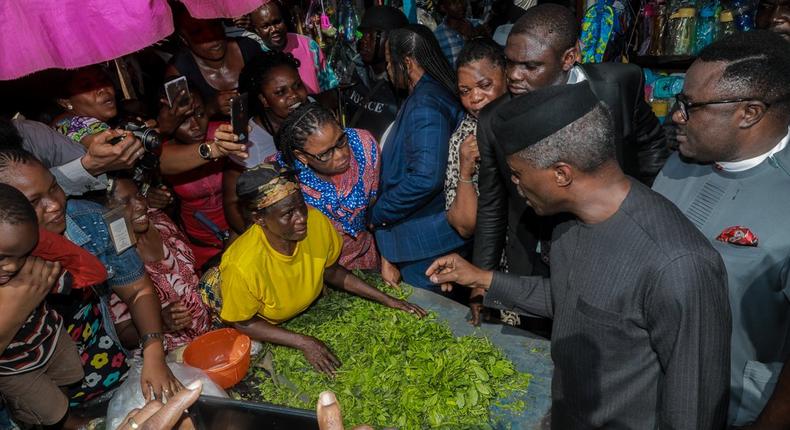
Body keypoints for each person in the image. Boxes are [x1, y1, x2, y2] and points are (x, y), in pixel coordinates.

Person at [427, 82, 731, 429]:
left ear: (561, 173)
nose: (514, 184)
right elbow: (571, 298)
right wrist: (480, 277)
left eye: (518, 173)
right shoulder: (567, 224)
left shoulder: (679, 265)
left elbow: (694, 416)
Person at [651, 31, 790, 427]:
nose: (676, 115)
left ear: (749, 113)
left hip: (734, 408)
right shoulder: (679, 160)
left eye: (690, 106)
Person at [474, 4, 669, 280]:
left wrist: (646, 221)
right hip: (540, 259)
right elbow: (492, 205)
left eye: (531, 66)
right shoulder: (494, 119)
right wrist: (482, 282)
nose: (514, 76)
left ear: (569, 57)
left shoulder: (618, 85)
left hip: (619, 249)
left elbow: (652, 151)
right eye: (510, 62)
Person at [0, 149, 181, 403]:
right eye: (33, 202)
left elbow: (138, 290)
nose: (54, 205)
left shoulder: (95, 219)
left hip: (111, 373)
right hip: (37, 405)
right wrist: (16, 308)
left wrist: (153, 353)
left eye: (54, 188)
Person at [219, 163, 426, 375]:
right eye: (288, 214)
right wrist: (303, 342)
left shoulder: (315, 222)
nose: (301, 218)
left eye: (301, 206)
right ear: (259, 219)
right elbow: (242, 322)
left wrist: (387, 299)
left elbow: (331, 270)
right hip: (264, 323)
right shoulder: (242, 266)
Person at [370, 24, 467, 290]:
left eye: (390, 63)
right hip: (426, 237)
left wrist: (378, 212)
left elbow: (426, 178)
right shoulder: (430, 93)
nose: (388, 70)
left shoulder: (426, 104)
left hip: (427, 241)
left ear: (408, 62)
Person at [104, 175, 211, 351]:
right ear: (105, 214)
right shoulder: (112, 262)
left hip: (210, 331)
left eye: (138, 195)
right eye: (125, 203)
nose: (140, 205)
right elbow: (124, 335)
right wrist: (159, 323)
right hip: (173, 355)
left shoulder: (159, 220)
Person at [0, 184, 76, 429]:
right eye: (2, 257)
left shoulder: (26, 263)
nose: (12, 267)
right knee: (45, 410)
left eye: (22, 255)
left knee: (66, 382)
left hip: (50, 337)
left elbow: (63, 281)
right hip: (14, 368)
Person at [445, 38, 507, 325]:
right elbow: (464, 225)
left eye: (484, 85)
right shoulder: (464, 137)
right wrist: (467, 169)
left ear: (507, 76)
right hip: (496, 267)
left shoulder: (529, 120)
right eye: (465, 91)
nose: (475, 98)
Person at [276, 103, 380, 270]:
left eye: (340, 141)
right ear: (302, 156)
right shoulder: (287, 183)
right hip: (321, 267)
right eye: (325, 154)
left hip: (366, 255)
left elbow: (376, 202)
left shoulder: (363, 145)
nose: (341, 155)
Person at [224, 51, 311, 234]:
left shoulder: (312, 113)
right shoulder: (247, 142)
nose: (294, 95)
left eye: (297, 85)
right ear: (263, 99)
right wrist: (266, 242)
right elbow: (233, 205)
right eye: (281, 92)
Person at [159, 92, 246, 268]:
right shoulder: (164, 152)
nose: (195, 126)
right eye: (184, 120)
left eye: (200, 114)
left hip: (239, 230)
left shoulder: (221, 133)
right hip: (198, 244)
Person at [1, 116, 142, 196]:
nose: (52, 206)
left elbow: (81, 160)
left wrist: (94, 163)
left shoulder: (27, 131)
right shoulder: (66, 125)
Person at [166, 2, 262, 117]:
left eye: (214, 24)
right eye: (197, 32)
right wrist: (211, 108)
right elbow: (182, 122)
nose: (211, 35)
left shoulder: (249, 47)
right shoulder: (179, 71)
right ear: (184, 39)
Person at [344, 6, 408, 142]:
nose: (364, 42)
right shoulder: (356, 67)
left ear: (393, 39)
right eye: (362, 34)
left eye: (373, 35)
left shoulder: (402, 80)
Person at [246, 0, 338, 95]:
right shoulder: (255, 55)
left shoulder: (308, 45)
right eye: (266, 26)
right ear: (257, 30)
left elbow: (329, 85)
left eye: (277, 22)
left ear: (284, 20)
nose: (274, 29)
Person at [433, 0, 480, 67]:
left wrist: (474, 36)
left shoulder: (477, 25)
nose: (460, 5)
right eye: (454, 2)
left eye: (462, 1)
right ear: (443, 8)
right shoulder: (437, 36)